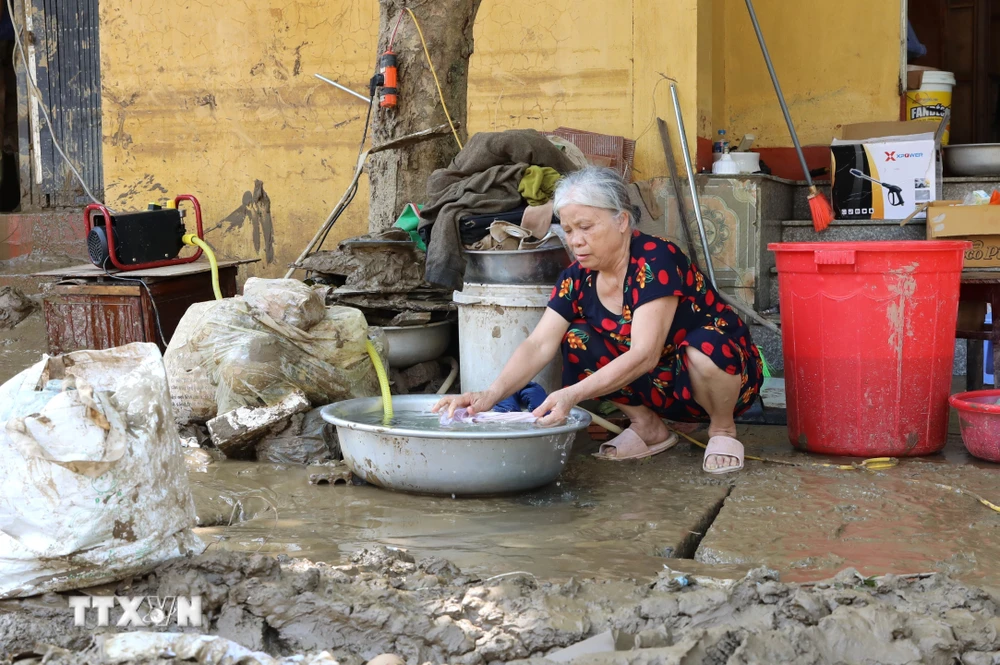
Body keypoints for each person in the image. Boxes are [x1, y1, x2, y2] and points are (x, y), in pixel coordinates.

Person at [434, 167, 763, 473]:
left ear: (621, 221)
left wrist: (571, 395)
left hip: (713, 379)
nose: (575, 240)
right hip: (657, 387)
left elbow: (645, 354)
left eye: (586, 227)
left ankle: (722, 429)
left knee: (705, 345)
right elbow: (538, 343)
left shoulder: (655, 258)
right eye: (568, 230)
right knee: (576, 337)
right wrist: (489, 396)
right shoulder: (576, 277)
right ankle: (647, 427)